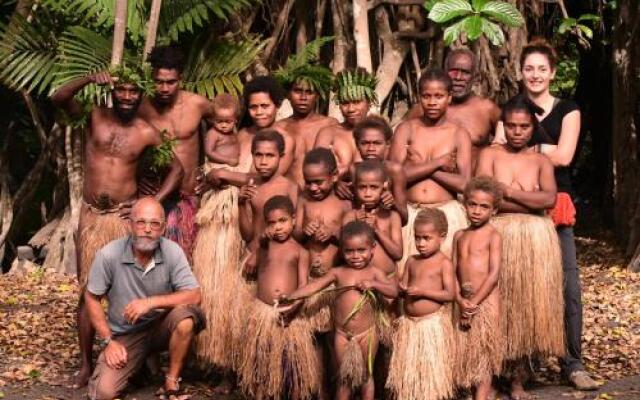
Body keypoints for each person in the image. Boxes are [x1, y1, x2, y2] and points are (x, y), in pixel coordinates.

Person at [51, 66, 183, 388]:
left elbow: (176, 169)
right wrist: (88, 79)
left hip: (124, 220)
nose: (126, 96)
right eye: (121, 90)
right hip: (93, 215)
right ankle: (85, 365)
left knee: (130, 289)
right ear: (113, 91)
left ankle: (137, 357)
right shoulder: (95, 116)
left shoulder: (147, 132)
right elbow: (58, 97)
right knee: (88, 292)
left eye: (133, 91)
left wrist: (146, 204)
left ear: (141, 94)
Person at [519, 38, 597, 391]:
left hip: (558, 204)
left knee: (568, 286)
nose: (535, 75)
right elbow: (498, 152)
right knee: (525, 285)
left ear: (552, 73)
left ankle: (573, 362)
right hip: (520, 206)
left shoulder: (569, 109)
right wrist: (543, 149)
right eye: (529, 69)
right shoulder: (513, 107)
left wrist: (525, 148)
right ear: (520, 72)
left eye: (541, 69)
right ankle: (527, 362)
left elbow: (565, 157)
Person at [475, 95, 564, 399]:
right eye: (511, 126)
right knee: (499, 306)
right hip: (496, 233)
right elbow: (485, 195)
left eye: (523, 127)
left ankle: (517, 380)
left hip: (533, 239)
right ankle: (488, 376)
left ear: (533, 127)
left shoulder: (540, 160)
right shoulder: (489, 155)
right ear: (503, 126)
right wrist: (528, 196)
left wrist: (509, 192)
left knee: (524, 309)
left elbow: (548, 200)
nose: (517, 132)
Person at [84, 197, 204, 400]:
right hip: (126, 334)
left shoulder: (172, 251)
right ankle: (140, 365)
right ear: (131, 225)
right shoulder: (108, 255)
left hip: (161, 326)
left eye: (154, 224)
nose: (147, 229)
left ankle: (172, 382)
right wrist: (108, 341)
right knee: (103, 393)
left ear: (163, 228)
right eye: (141, 222)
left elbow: (195, 295)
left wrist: (150, 303)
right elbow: (92, 298)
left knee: (186, 319)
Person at [282, 221, 398, 400]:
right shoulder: (337, 273)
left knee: (367, 376)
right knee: (344, 378)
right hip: (342, 334)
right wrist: (291, 297)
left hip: (367, 333)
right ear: (341, 250)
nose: (355, 256)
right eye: (349, 251)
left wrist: (374, 284)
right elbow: (314, 287)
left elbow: (393, 291)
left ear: (372, 248)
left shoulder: (375, 273)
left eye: (361, 250)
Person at [236, 195, 320, 399]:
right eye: (272, 223)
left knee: (290, 366)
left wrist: (295, 308)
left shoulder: (301, 252)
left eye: (282, 221)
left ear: (293, 219)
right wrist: (259, 245)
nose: (278, 227)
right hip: (262, 314)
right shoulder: (264, 247)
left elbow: (303, 286)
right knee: (260, 364)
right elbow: (255, 242)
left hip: (289, 315)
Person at [390, 68, 471, 275]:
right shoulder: (406, 129)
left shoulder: (458, 134)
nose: (432, 102)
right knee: (406, 278)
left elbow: (464, 184)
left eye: (439, 96)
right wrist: (439, 163)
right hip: (409, 216)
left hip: (447, 215)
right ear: (419, 98)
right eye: (426, 96)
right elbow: (393, 176)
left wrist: (423, 167)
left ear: (449, 97)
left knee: (443, 278)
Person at [138, 46, 215, 261]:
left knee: (186, 261)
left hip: (188, 196)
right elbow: (127, 146)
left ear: (180, 78)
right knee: (149, 261)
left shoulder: (198, 104)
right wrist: (137, 177)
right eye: (158, 81)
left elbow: (226, 132)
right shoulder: (141, 107)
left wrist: (212, 173)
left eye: (170, 82)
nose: (164, 88)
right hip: (154, 194)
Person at [190, 93, 243, 385]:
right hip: (217, 206)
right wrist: (229, 163)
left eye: (229, 121)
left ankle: (229, 362)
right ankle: (209, 356)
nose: (224, 126)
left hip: (234, 208)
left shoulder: (243, 135)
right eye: (219, 121)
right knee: (211, 286)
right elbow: (211, 155)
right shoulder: (211, 134)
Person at [386, 208, 455, 400]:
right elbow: (403, 287)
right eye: (417, 238)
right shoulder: (411, 261)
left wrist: (423, 292)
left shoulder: (444, 263)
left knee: (430, 373)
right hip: (409, 326)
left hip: (431, 326)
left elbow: (450, 294)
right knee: (410, 373)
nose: (421, 243)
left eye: (426, 238)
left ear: (441, 237)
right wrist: (400, 288)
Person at [452, 177, 504, 400]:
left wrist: (473, 303)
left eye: (484, 207)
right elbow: (452, 271)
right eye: (472, 204)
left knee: (483, 351)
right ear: (465, 204)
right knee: (465, 350)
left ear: (494, 210)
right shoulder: (459, 236)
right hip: (462, 302)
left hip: (486, 301)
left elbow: (493, 275)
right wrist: (459, 299)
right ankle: (467, 392)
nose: (476, 211)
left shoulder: (493, 236)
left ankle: (481, 396)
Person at [406, 48, 501, 165]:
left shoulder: (487, 109)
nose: (458, 77)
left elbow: (511, 145)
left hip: (473, 181)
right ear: (445, 73)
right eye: (453, 71)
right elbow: (395, 144)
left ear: (475, 77)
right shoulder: (425, 108)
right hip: (430, 179)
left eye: (465, 72)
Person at [239, 130, 299, 274]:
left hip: (278, 261)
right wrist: (241, 204)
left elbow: (293, 231)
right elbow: (247, 235)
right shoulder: (250, 186)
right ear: (252, 155)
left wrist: (260, 253)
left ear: (281, 156)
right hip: (249, 259)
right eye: (258, 155)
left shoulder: (290, 188)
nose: (263, 162)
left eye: (270, 155)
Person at [275, 62, 338, 189]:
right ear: (288, 94)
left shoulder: (330, 125)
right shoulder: (279, 128)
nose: (303, 97)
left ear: (317, 96)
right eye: (298, 91)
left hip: (322, 197)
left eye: (309, 92)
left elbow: (341, 162)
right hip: (288, 196)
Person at [295, 147, 352, 277]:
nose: (313, 188)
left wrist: (333, 233)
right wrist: (304, 231)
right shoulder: (303, 199)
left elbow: (353, 236)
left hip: (336, 276)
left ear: (335, 176)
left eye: (318, 182)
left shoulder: (344, 202)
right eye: (308, 182)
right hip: (307, 277)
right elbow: (295, 234)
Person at [342, 160, 403, 276]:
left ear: (384, 186)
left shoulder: (392, 216)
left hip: (387, 279)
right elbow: (344, 252)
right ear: (354, 187)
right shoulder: (351, 216)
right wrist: (357, 227)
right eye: (362, 187)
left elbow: (398, 254)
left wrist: (376, 230)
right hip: (359, 280)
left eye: (374, 187)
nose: (367, 193)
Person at [314, 68, 377, 177]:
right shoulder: (328, 134)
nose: (351, 109)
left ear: (369, 102)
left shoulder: (380, 135)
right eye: (345, 103)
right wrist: (334, 183)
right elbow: (315, 170)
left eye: (357, 102)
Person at [350, 115, 408, 224]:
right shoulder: (354, 169)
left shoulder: (394, 170)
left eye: (377, 143)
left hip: (386, 229)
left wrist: (393, 204)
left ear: (388, 144)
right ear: (357, 145)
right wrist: (338, 184)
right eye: (365, 143)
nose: (371, 149)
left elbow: (405, 218)